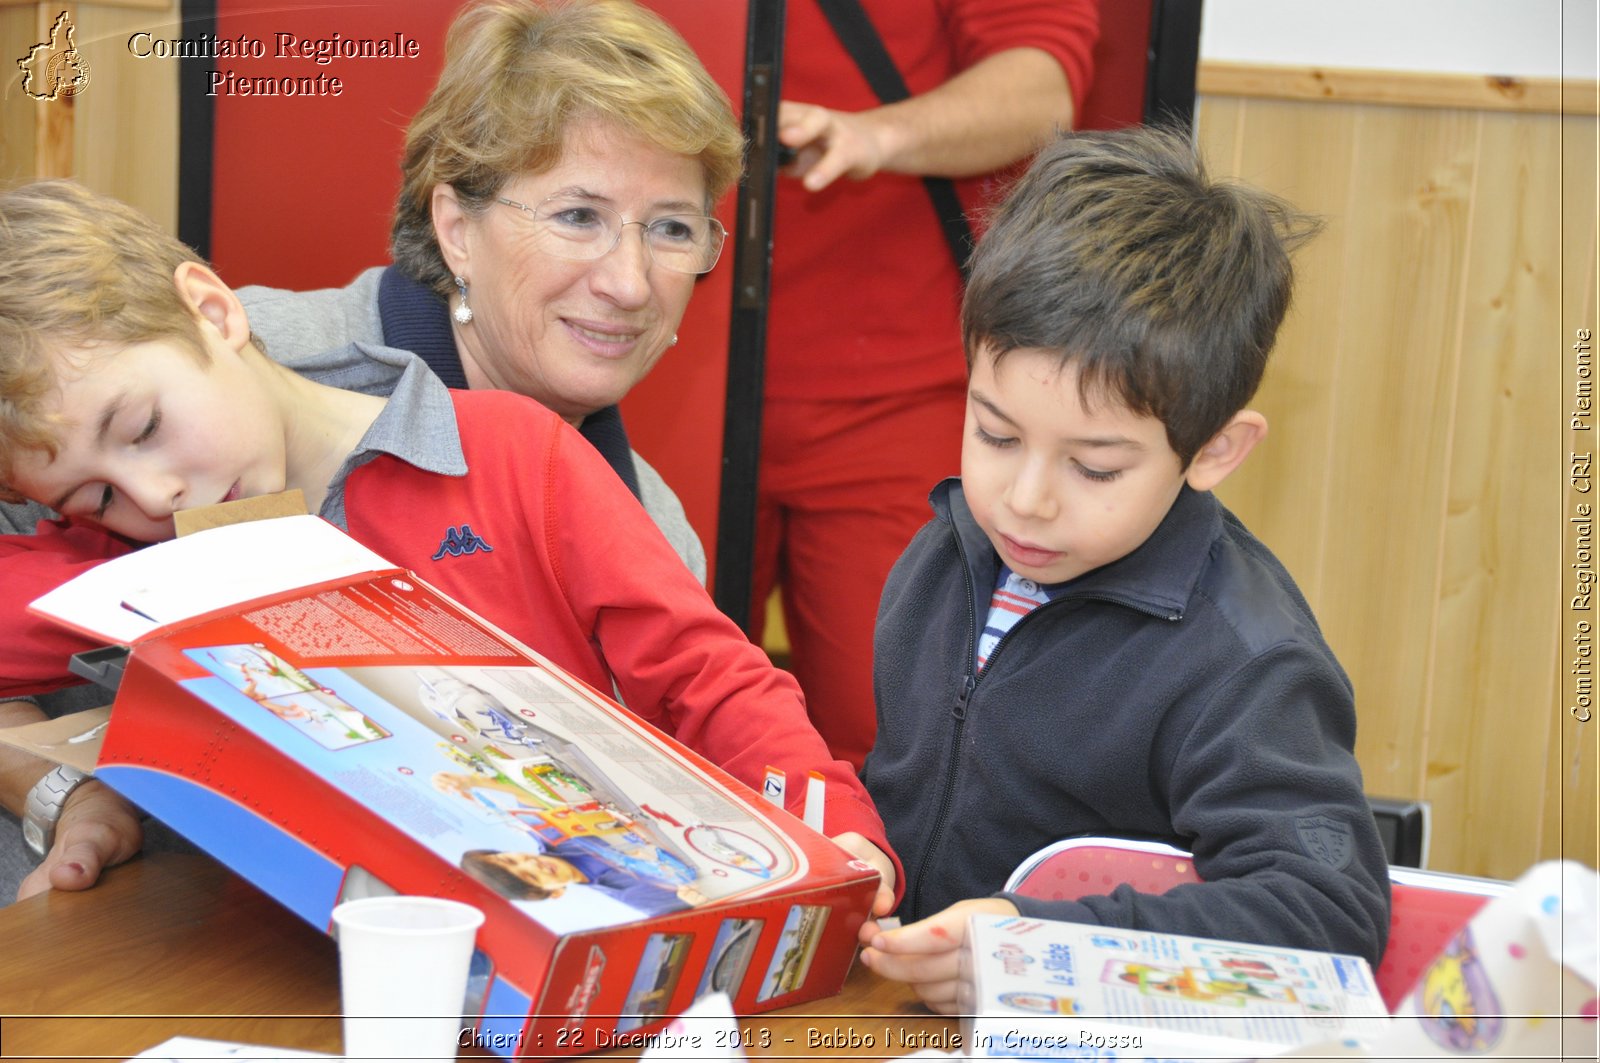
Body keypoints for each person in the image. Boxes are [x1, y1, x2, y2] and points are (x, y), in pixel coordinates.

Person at [0, 0, 742, 900]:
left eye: (671, 228)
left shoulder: (650, 524)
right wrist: (50, 786)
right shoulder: (213, 378)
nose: (631, 283)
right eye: (579, 215)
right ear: (458, 228)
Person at [0, 180, 899, 916]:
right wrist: (62, 788)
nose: (151, 494)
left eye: (145, 425)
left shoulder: (514, 452)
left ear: (212, 310)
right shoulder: (131, 555)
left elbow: (705, 672)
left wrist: (834, 832)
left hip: (557, 917)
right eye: (96, 491)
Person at [853, 127, 1391, 1013]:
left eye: (1094, 467)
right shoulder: (944, 553)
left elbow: (1327, 914)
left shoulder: (1247, 661)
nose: (1025, 498)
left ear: (1215, 449)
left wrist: (1037, 951)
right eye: (995, 432)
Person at [754, 0, 1100, 769]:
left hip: (890, 382)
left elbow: (1043, 87)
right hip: (653, 368)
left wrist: (877, 133)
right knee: (646, 722)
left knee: (894, 741)